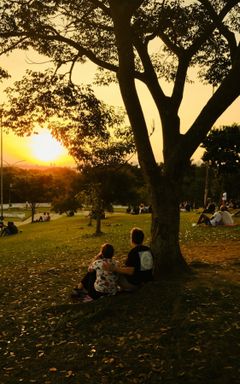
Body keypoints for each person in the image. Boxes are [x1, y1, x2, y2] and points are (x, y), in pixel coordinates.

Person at [104, 227, 153, 292]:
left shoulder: (133, 252)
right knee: (121, 269)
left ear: (132, 239)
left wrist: (114, 268)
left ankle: (110, 290)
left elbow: (130, 271)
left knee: (115, 274)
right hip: (146, 280)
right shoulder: (148, 249)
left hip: (135, 284)